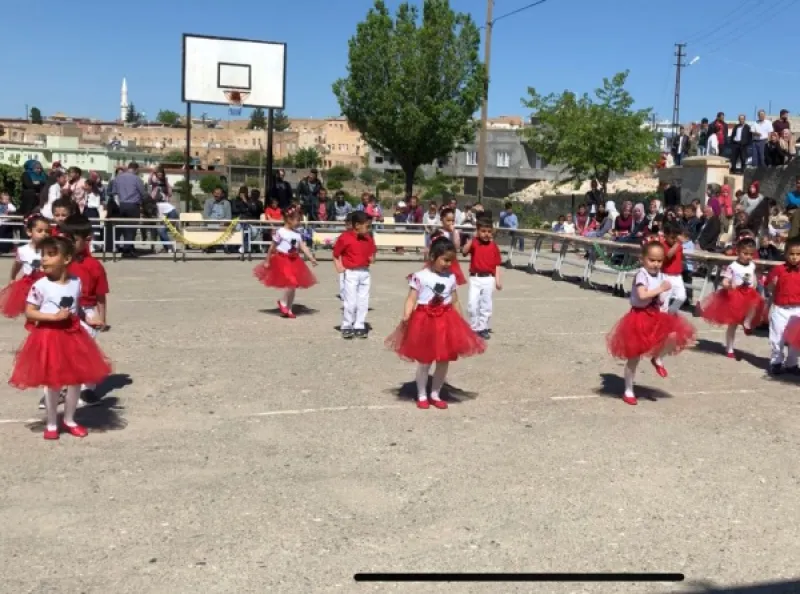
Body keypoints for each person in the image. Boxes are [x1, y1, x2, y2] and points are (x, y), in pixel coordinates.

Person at [8, 235, 110, 440]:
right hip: (49, 336)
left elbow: (78, 308)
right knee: (53, 382)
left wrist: (90, 318)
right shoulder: (41, 285)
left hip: (73, 336)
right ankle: (52, 422)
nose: (44, 259)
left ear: (66, 259)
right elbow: (30, 312)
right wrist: (52, 317)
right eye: (43, 254)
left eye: (51, 255)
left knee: (75, 381)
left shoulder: (76, 282)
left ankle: (70, 419)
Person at [384, 236, 486, 409]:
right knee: (424, 360)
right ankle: (422, 394)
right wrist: (406, 315)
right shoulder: (419, 277)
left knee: (443, 360)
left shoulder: (451, 278)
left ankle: (435, 393)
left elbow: (454, 301)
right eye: (445, 260)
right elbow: (411, 298)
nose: (448, 264)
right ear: (432, 257)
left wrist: (460, 321)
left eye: (451, 261)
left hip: (446, 321)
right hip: (424, 321)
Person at [606, 242, 696, 405]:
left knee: (673, 337)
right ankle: (628, 389)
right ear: (643, 259)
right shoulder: (642, 274)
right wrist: (660, 289)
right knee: (634, 357)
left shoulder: (660, 275)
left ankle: (657, 358)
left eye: (659, 261)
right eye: (652, 260)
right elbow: (642, 295)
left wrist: (664, 300)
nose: (655, 264)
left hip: (655, 316)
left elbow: (661, 299)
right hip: (639, 317)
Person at [60, 214, 110, 407]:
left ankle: (87, 389)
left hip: (88, 312)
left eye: (73, 239)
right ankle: (61, 388)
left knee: (85, 352)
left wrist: (101, 318)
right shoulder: (60, 262)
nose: (68, 243)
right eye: (66, 238)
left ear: (87, 239)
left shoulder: (94, 266)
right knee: (63, 351)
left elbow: (100, 294)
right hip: (64, 311)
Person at [698, 237, 765, 359]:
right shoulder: (733, 266)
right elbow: (724, 281)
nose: (748, 257)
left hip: (749, 293)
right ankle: (729, 348)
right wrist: (729, 285)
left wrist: (754, 283)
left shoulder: (752, 265)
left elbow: (753, 276)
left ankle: (747, 323)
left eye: (751, 254)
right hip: (736, 294)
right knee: (733, 324)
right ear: (738, 252)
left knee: (755, 304)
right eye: (745, 254)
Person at [253, 205, 318, 318]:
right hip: (282, 259)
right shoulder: (281, 232)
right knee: (291, 282)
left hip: (294, 260)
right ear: (288, 219)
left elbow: (303, 247)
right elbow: (272, 246)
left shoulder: (297, 234)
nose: (299, 222)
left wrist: (311, 257)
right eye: (297, 220)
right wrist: (267, 260)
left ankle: (289, 308)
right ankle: (282, 302)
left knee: (293, 286)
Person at [333, 211, 376, 339]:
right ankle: (347, 324)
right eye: (366, 226)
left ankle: (359, 324)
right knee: (350, 301)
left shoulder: (368, 238)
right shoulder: (345, 237)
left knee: (363, 300)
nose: (368, 229)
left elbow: (372, 252)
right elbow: (336, 253)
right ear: (357, 225)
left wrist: (372, 257)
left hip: (364, 272)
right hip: (351, 272)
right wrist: (338, 266)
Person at [0, 215, 50, 318]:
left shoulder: (50, 249)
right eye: (40, 231)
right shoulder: (23, 250)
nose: (44, 234)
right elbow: (17, 265)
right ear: (29, 232)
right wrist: (12, 277)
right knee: (31, 311)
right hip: (29, 285)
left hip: (46, 283)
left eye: (47, 231)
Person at [462, 217, 502, 339]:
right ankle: (474, 326)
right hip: (475, 278)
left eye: (489, 231)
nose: (486, 234)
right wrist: (472, 239)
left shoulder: (494, 246)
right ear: (478, 231)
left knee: (486, 305)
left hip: (488, 279)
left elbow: (497, 265)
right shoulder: (474, 243)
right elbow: (464, 252)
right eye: (483, 231)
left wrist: (498, 281)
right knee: (472, 304)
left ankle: (482, 327)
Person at [764, 237, 800, 374]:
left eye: (798, 254)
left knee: (796, 338)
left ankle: (792, 363)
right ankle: (776, 362)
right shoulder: (779, 269)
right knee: (777, 337)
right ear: (785, 254)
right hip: (780, 309)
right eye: (792, 254)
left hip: (798, 309)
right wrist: (773, 283)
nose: (795, 257)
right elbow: (769, 288)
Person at [114, 162, 147, 257]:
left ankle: (128, 246)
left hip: (122, 205)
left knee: (124, 228)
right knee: (131, 228)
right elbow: (143, 193)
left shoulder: (118, 178)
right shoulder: (137, 179)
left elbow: (115, 191)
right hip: (133, 205)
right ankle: (127, 250)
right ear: (136, 169)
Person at [432, 208, 466, 286]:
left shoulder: (455, 232)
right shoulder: (439, 233)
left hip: (451, 261)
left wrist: (454, 232)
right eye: (448, 220)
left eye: (452, 220)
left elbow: (457, 246)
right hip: (440, 260)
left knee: (451, 283)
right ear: (442, 220)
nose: (451, 223)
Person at [660, 222, 687, 313]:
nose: (674, 240)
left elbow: (680, 256)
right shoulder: (663, 245)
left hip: (677, 276)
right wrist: (678, 243)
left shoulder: (678, 245)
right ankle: (662, 318)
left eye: (676, 238)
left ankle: (671, 313)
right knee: (664, 301)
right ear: (665, 236)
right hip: (666, 276)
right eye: (672, 238)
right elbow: (668, 255)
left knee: (681, 297)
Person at [333, 214, 354, 300]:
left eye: (349, 223)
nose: (347, 225)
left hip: (352, 260)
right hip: (344, 260)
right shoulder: (343, 235)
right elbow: (336, 252)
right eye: (346, 223)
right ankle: (343, 294)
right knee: (343, 277)